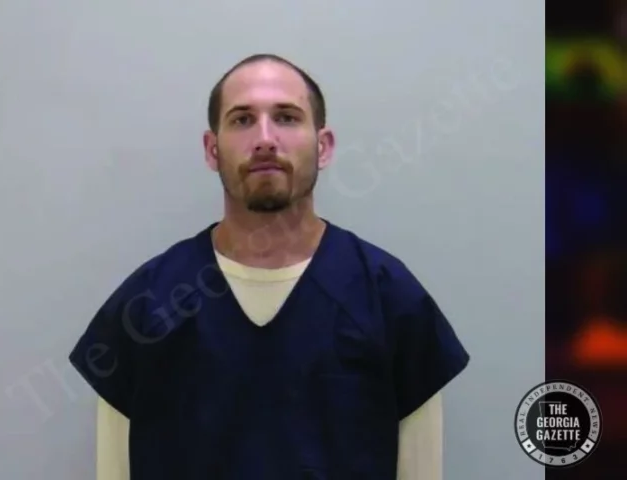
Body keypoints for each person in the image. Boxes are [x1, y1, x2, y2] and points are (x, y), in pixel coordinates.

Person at [69, 53, 470, 480]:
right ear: (211, 149)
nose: (264, 138)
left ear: (323, 146)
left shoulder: (390, 300)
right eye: (242, 120)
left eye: (286, 118)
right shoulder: (147, 307)